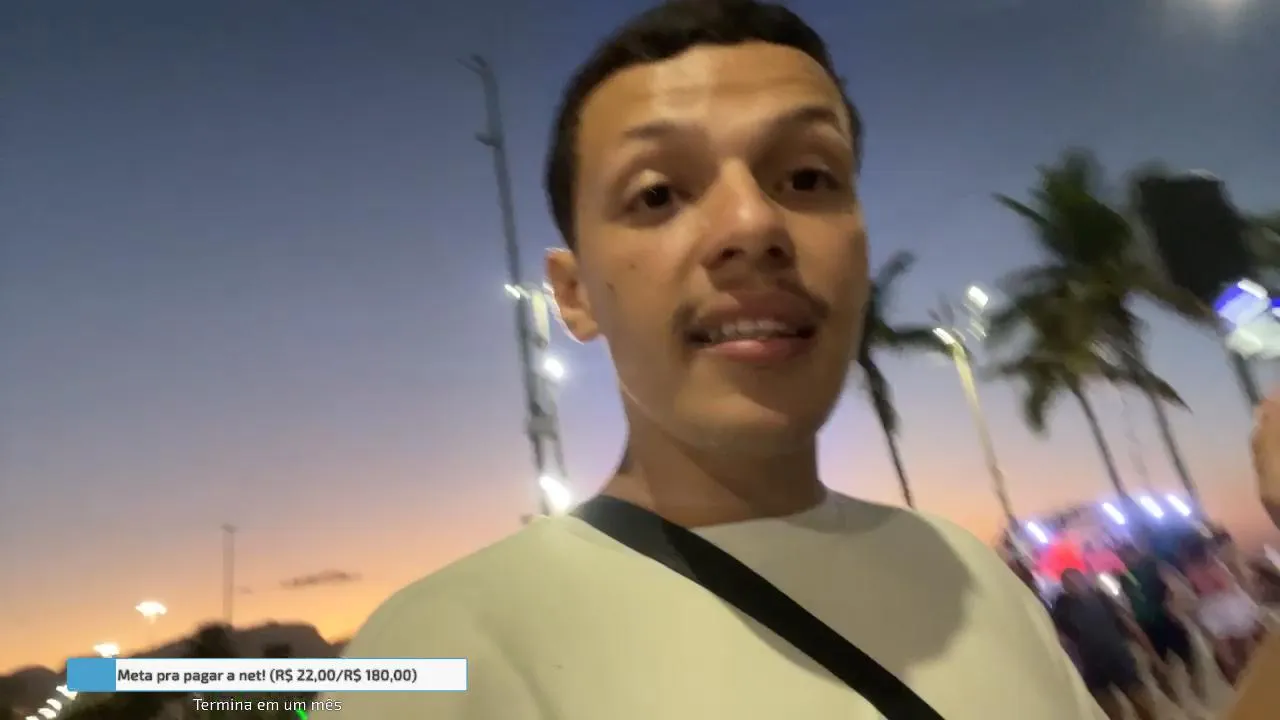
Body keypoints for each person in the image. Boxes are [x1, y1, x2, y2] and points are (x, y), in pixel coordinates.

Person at [321, 1, 1106, 717]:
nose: (753, 225)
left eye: (807, 176)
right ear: (574, 294)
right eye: (658, 194)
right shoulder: (444, 651)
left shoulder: (976, 582)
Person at [1052, 569, 1164, 720]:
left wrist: (1152, 653)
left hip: (1117, 657)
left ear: (1083, 579)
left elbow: (1129, 623)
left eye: (1076, 579)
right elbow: (1062, 639)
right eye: (1069, 582)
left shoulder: (1101, 597)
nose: (1075, 584)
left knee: (1143, 702)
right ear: (1065, 587)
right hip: (1091, 665)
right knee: (1111, 710)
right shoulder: (1062, 607)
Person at [1116, 539, 1205, 709]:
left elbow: (1171, 584)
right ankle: (1176, 696)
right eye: (1123, 556)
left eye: (1127, 554)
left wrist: (1173, 601)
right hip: (1148, 623)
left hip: (1165, 617)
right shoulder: (1124, 578)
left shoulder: (1152, 566)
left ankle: (1196, 686)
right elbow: (1127, 601)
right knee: (1158, 664)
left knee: (1187, 654)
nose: (1126, 558)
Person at [1179, 532, 1263, 684]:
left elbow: (1195, 590)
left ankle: (1238, 677)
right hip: (1227, 603)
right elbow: (1227, 584)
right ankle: (1255, 671)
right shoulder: (1212, 562)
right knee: (1246, 639)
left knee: (1225, 647)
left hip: (1208, 607)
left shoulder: (1189, 568)